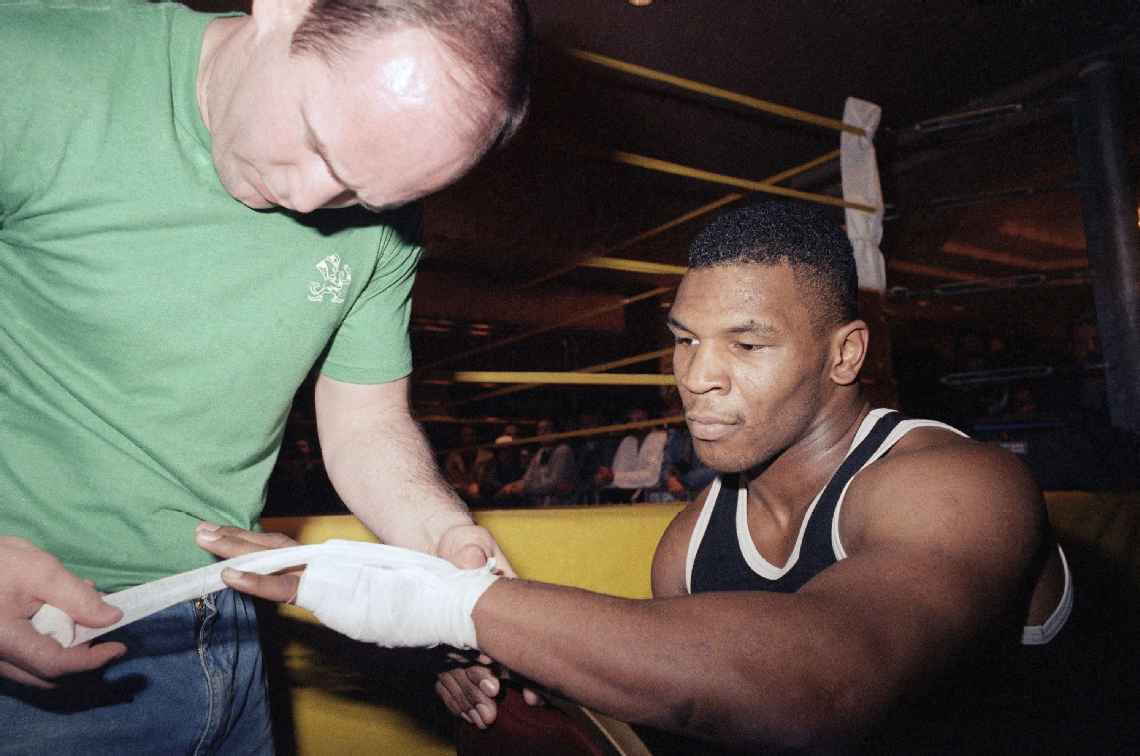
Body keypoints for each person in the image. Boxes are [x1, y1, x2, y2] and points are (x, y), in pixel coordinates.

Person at [202, 200, 1071, 753]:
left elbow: (826, 689)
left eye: (747, 343)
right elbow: (694, 708)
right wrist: (501, 672)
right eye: (686, 340)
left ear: (846, 354)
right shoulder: (692, 542)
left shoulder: (957, 484)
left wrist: (442, 601)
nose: (698, 377)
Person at [1, 0, 529, 750]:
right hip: (34, 643)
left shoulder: (381, 218)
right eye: (317, 140)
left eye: (364, 196)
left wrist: (447, 542)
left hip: (232, 633)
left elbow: (367, 423)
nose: (312, 200)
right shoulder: (31, 64)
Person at [497, 418, 578, 506]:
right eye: (540, 430)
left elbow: (554, 484)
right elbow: (527, 479)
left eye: (547, 429)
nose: (543, 433)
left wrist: (525, 488)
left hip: (560, 505)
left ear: (556, 431)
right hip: (541, 504)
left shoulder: (563, 450)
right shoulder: (540, 452)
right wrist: (511, 486)